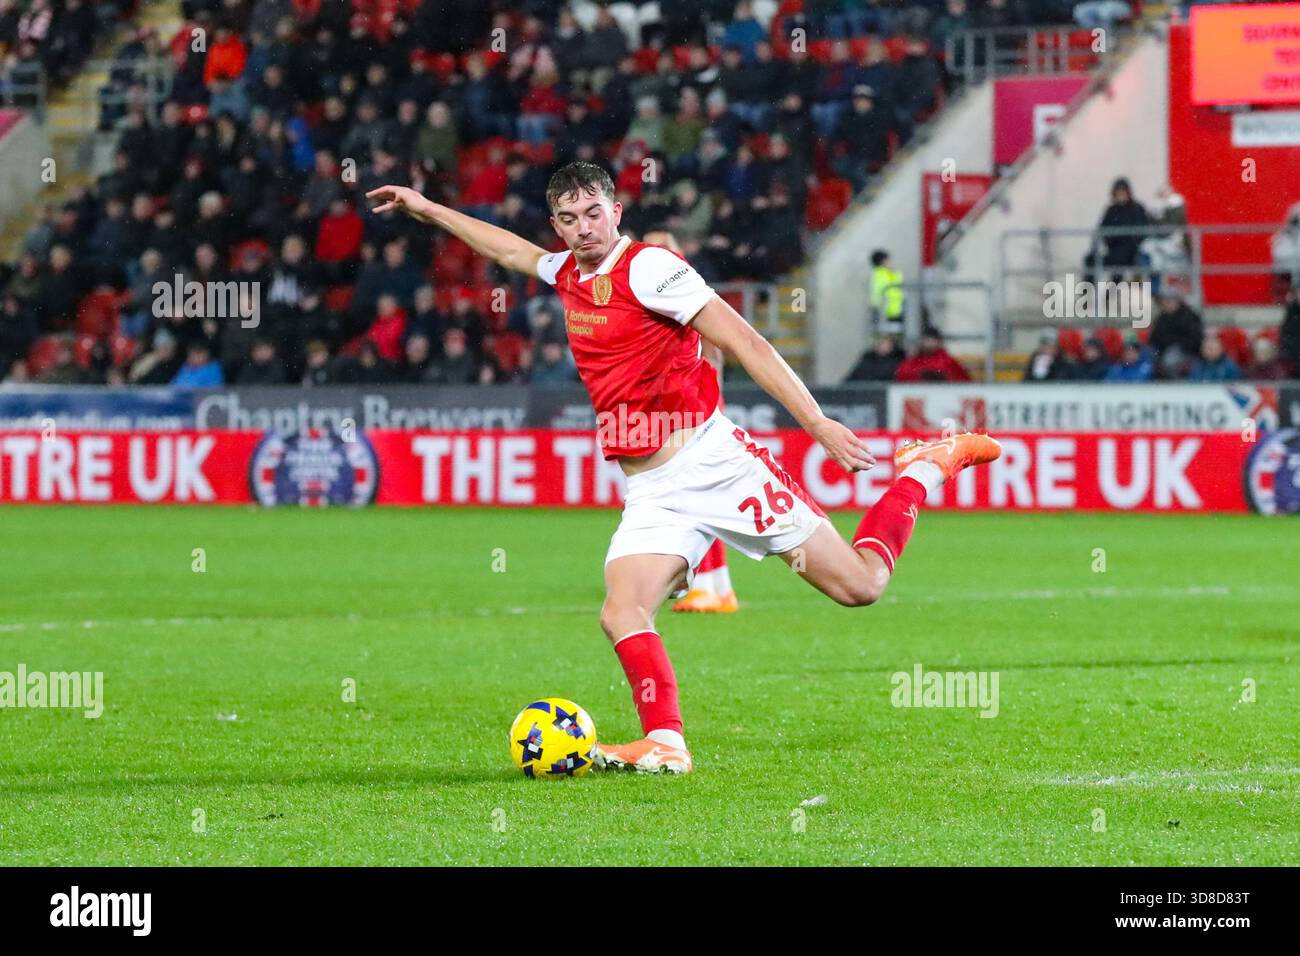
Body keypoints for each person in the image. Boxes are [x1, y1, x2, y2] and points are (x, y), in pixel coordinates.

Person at [367, 163, 1001, 774]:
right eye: (569, 218)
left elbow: (745, 340)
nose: (585, 227)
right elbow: (506, 249)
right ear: (557, 226)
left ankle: (924, 468)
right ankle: (666, 743)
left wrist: (817, 423)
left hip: (716, 466)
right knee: (621, 612)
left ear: (617, 211)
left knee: (860, 587)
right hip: (651, 489)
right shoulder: (567, 274)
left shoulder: (652, 270)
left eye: (595, 212)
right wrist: (426, 208)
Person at [644, 228, 739, 616]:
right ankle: (716, 587)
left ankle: (710, 585)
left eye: (663, 248)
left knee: (698, 497)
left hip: (694, 408)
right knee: (699, 498)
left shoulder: (686, 295)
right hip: (682, 406)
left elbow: (717, 351)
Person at [894, 326, 970, 382]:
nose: (928, 344)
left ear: (939, 342)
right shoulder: (914, 361)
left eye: (932, 341)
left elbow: (962, 380)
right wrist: (920, 375)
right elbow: (901, 374)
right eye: (926, 340)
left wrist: (944, 378)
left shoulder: (948, 361)